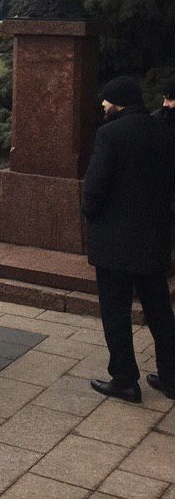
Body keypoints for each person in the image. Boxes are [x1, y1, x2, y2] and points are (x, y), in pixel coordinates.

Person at [82, 76, 175, 403]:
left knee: (116, 312)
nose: (103, 105)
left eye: (106, 100)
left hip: (115, 243)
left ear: (118, 101)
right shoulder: (164, 131)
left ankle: (124, 379)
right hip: (155, 239)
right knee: (160, 310)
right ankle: (171, 377)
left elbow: (94, 190)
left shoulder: (109, 135)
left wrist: (90, 216)